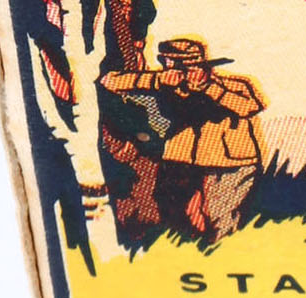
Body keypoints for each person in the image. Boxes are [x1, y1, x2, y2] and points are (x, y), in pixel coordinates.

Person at [100, 37, 265, 242]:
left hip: (229, 164)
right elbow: (110, 81)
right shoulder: (167, 86)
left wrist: (207, 87)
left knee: (219, 220)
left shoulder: (233, 85)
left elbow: (249, 106)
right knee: (182, 218)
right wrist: (157, 80)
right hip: (184, 161)